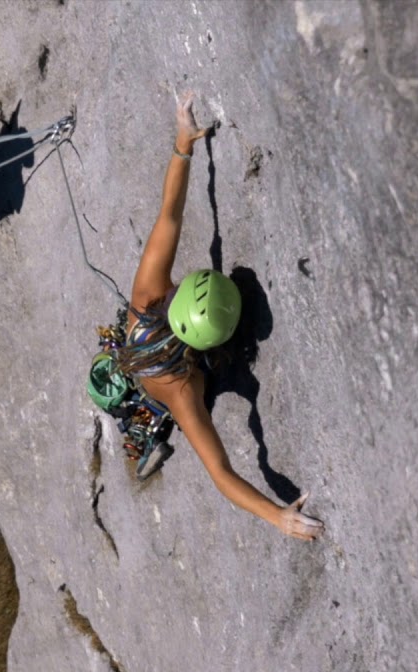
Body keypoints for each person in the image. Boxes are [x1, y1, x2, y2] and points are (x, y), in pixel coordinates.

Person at [115, 91, 325, 542]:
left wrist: (184, 143)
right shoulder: (185, 394)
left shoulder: (147, 297)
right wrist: (278, 517)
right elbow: (221, 473)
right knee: (162, 402)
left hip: (139, 351)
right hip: (159, 390)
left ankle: (135, 419)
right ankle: (145, 431)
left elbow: (170, 214)